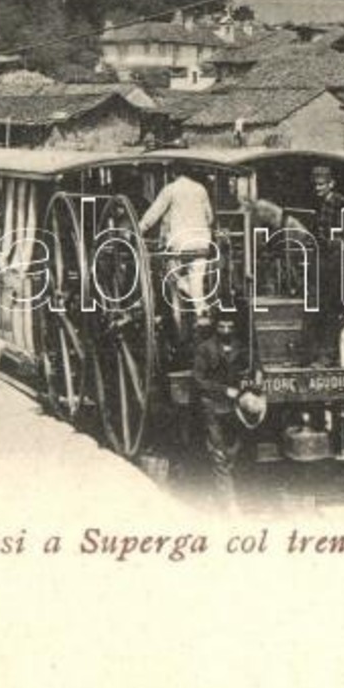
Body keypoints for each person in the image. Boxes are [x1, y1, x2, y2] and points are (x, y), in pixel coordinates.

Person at [139, 164, 216, 335]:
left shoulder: (170, 189)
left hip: (180, 242)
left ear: (174, 173)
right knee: (197, 278)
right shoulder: (201, 189)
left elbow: (154, 213)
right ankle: (200, 310)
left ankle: (181, 288)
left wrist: (139, 229)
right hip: (201, 242)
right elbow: (209, 217)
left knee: (171, 271)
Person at [192, 307, 250, 511]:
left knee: (233, 448)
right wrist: (225, 390)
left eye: (229, 326)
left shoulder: (239, 347)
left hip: (232, 408)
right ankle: (227, 503)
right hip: (212, 406)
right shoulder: (205, 349)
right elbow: (199, 381)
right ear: (215, 327)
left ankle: (227, 493)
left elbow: (251, 365)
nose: (226, 330)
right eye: (222, 326)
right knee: (218, 451)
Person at [306, 165, 344, 364]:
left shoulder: (339, 202)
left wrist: (341, 242)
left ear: (331, 184)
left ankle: (327, 353)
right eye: (316, 185)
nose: (318, 188)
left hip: (334, 260)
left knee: (328, 306)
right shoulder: (321, 203)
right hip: (324, 257)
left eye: (321, 185)